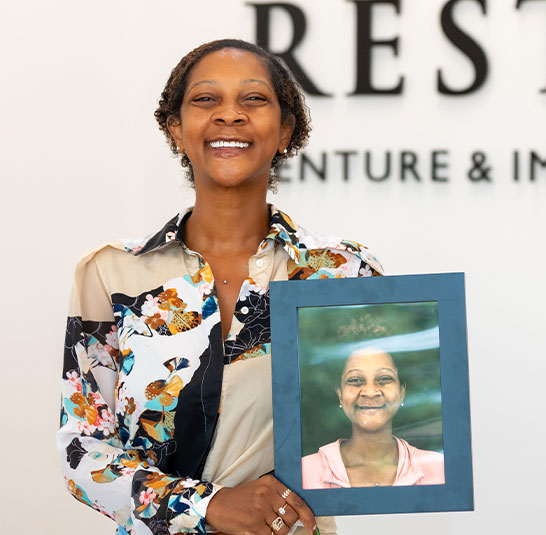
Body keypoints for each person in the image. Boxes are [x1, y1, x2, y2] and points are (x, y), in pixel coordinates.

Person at [57, 39, 383, 535]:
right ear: (176, 129)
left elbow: (369, 420)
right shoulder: (111, 273)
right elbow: (82, 450)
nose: (230, 114)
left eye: (254, 99)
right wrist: (208, 505)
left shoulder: (342, 271)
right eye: (206, 99)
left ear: (285, 130)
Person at [301, 347, 444, 489]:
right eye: (355, 380)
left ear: (401, 392)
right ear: (340, 394)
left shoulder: (438, 468)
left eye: (384, 379)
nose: (370, 392)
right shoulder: (306, 472)